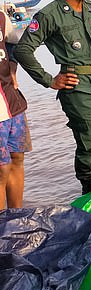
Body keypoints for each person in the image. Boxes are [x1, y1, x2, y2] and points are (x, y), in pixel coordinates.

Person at [14, 0, 91, 195]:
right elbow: (23, 50)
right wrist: (50, 80)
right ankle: (88, 191)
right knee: (89, 146)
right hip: (78, 90)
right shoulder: (50, 15)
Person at [0, 11, 31, 209]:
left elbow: (14, 44)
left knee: (17, 157)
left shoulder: (2, 17)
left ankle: (16, 218)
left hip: (12, 101)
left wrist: (12, 69)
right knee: (1, 169)